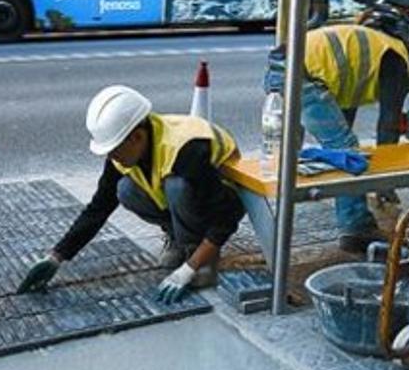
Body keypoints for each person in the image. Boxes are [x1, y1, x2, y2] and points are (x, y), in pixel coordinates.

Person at [17, 86, 244, 303]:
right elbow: (99, 207)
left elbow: (226, 216)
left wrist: (190, 267)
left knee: (177, 187)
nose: (112, 157)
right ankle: (178, 237)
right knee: (124, 189)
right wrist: (57, 256)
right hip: (193, 196)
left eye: (114, 149)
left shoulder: (186, 149)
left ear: (136, 137)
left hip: (227, 194)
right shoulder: (124, 152)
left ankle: (199, 254)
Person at [263, 24, 409, 254]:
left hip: (281, 67)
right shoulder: (397, 60)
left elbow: (343, 118)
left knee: (298, 152)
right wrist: (385, 182)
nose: (408, 89)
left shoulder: (371, 60)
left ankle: (280, 220)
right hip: (298, 72)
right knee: (347, 151)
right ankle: (356, 229)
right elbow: (388, 123)